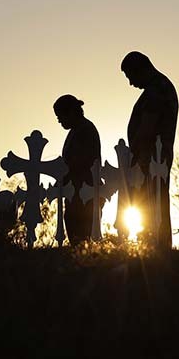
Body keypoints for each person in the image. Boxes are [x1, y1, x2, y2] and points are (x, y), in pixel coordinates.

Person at [121, 51, 179, 249]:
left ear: (140, 69)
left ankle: (156, 246)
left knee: (153, 203)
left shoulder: (157, 89)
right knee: (152, 202)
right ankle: (153, 245)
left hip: (151, 159)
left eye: (130, 76)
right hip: (149, 159)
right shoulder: (156, 88)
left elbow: (147, 127)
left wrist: (135, 154)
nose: (130, 83)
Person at [53, 94, 102, 245]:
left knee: (82, 237)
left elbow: (79, 161)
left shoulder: (84, 130)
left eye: (60, 115)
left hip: (83, 192)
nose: (59, 120)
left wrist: (64, 175)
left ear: (71, 112)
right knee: (76, 237)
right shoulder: (77, 130)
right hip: (75, 191)